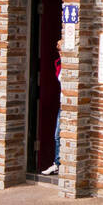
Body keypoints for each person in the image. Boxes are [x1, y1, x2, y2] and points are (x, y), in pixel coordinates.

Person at [42, 38, 62, 175]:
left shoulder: (73, 64)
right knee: (57, 135)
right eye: (59, 50)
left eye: (62, 49)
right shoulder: (59, 64)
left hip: (68, 104)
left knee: (60, 134)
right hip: (62, 104)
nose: (60, 53)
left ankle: (59, 163)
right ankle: (57, 163)